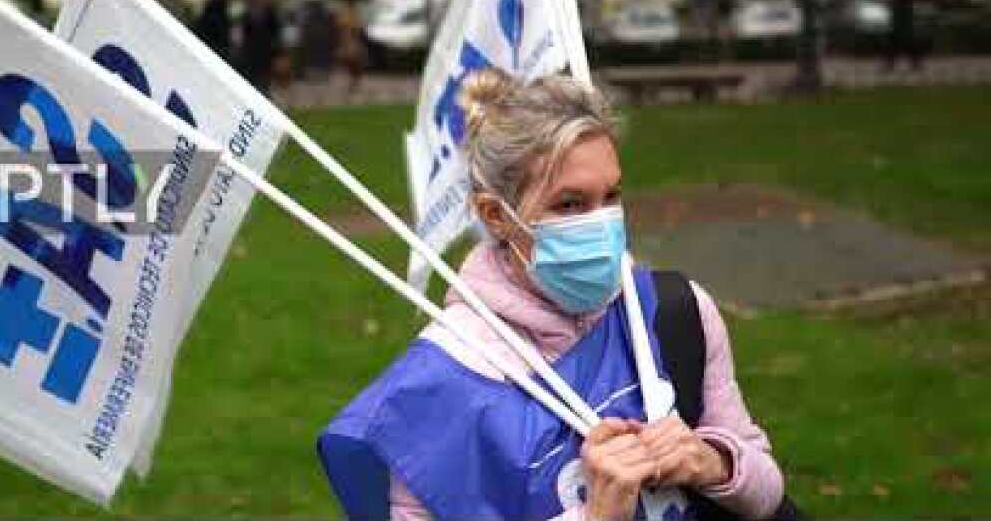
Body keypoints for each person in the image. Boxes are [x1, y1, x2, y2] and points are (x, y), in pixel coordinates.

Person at [319, 69, 787, 521]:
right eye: (569, 205)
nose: (601, 224)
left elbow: (767, 493)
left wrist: (715, 463)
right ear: (495, 215)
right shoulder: (431, 392)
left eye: (611, 197)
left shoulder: (673, 309)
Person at [238, 0, 281, 97]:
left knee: (264, 81)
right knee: (253, 80)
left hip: (266, 52)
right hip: (251, 53)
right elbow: (244, 34)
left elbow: (276, 32)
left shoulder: (270, 13)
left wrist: (276, 51)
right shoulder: (247, 14)